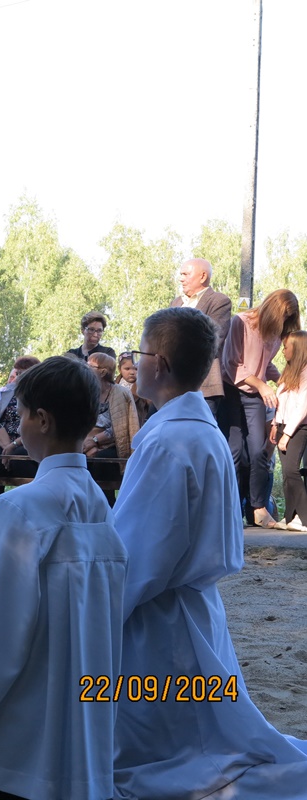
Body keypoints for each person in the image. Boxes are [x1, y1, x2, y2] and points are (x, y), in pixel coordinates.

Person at [113, 306, 307, 798]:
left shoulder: (168, 442)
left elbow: (140, 553)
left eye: (139, 353)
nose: (134, 363)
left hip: (158, 617)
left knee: (171, 751)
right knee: (199, 728)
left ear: (158, 363)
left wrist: (99, 606)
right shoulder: (200, 432)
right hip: (193, 607)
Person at [0, 356, 127, 800]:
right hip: (87, 734)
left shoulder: (18, 509)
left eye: (22, 413)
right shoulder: (102, 508)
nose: (19, 424)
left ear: (42, 420)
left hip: (22, 749)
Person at [221, 288, 300, 528]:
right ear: (273, 309)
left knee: (259, 451)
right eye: (283, 317)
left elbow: (264, 365)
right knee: (234, 451)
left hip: (254, 394)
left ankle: (258, 508)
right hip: (231, 390)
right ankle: (231, 509)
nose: (283, 324)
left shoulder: (276, 333)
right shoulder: (241, 322)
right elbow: (231, 364)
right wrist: (262, 385)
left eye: (288, 320)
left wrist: (282, 380)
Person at [170, 257, 233, 424]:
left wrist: (176, 343)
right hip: (171, 384)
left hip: (203, 385)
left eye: (185, 274)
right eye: (181, 274)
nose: (181, 278)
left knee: (199, 430)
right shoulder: (176, 303)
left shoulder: (219, 301)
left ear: (203, 276)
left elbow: (212, 339)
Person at [0, 356, 41, 498]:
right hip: (5, 440)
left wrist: (14, 445)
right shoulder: (9, 393)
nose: (18, 377)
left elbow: (36, 425)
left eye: (22, 373)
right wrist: (6, 447)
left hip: (29, 440)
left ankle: (29, 499)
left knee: (20, 458)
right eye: (17, 373)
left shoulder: (40, 395)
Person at [271, 330, 307, 531]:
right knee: (286, 473)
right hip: (283, 425)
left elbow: (302, 406)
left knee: (292, 470)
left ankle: (305, 517)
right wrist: (275, 424)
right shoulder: (288, 372)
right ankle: (290, 516)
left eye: (286, 347)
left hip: (298, 427)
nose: (283, 351)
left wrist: (287, 434)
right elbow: (282, 401)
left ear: (298, 348)